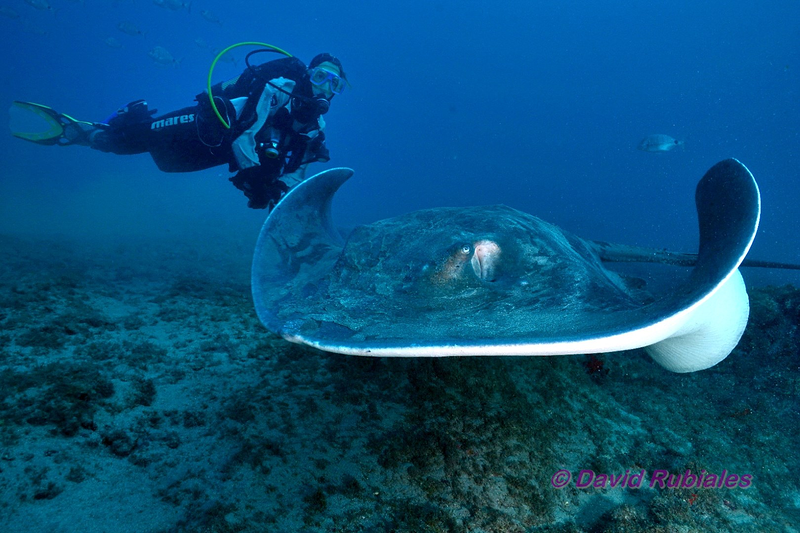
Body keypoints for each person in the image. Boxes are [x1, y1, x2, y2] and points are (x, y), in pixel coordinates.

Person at [11, 50, 348, 210]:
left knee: (168, 164)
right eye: (320, 77)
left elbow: (299, 171)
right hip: (207, 122)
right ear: (308, 75)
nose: (325, 88)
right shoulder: (277, 89)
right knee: (128, 142)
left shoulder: (316, 127)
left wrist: (278, 194)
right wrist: (255, 177)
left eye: (335, 84)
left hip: (218, 150)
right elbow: (245, 134)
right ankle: (79, 132)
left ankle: (97, 133)